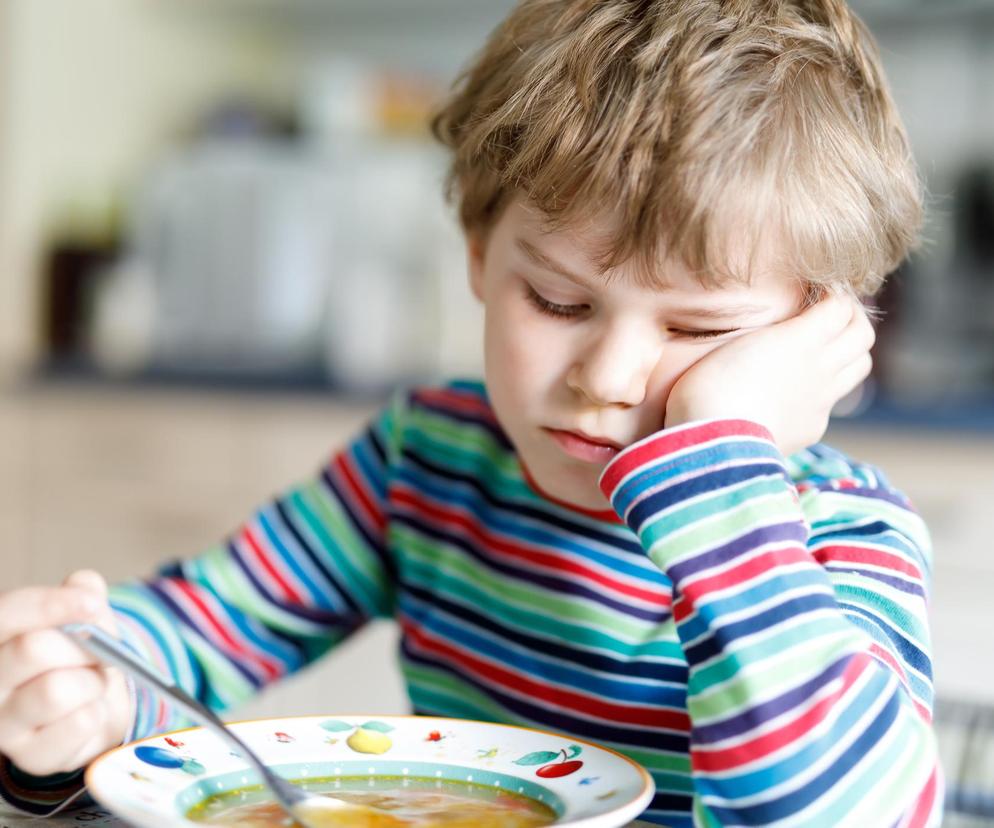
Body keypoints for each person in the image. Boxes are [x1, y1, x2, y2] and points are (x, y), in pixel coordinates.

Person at [0, 0, 941, 825]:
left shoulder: (840, 537)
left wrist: (722, 472)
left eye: (697, 330)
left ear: (820, 336)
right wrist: (91, 695)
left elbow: (850, 813)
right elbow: (203, 632)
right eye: (559, 303)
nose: (607, 375)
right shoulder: (429, 458)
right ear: (481, 253)